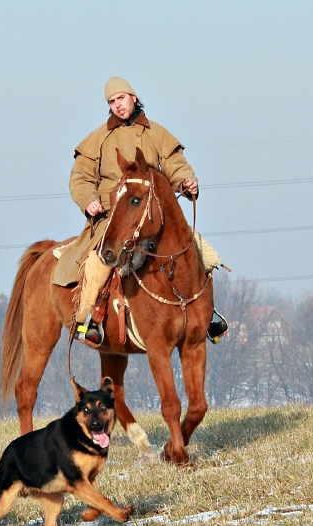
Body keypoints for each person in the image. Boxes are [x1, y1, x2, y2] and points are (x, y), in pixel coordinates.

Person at [53, 77, 226, 344]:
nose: (117, 106)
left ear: (133, 97)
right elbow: (80, 178)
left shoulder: (157, 134)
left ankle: (206, 316)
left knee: (199, 251)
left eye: (121, 98)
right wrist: (88, 200)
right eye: (111, 102)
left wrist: (186, 181)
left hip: (155, 215)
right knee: (100, 260)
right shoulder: (98, 139)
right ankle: (88, 319)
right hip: (114, 216)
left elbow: (175, 164)